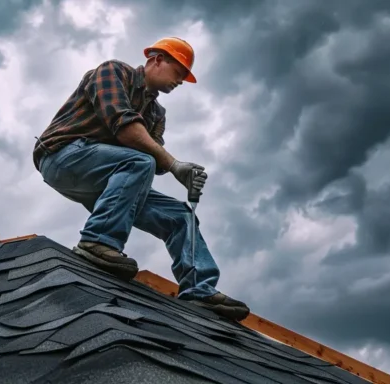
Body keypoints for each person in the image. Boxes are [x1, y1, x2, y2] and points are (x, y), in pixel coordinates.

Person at [32, 37, 250, 321]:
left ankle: (199, 288)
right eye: (179, 72)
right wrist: (174, 165)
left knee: (179, 215)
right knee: (139, 161)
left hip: (111, 179)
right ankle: (97, 242)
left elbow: (154, 163)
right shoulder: (113, 72)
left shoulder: (157, 113)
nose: (181, 81)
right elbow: (124, 128)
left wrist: (177, 168)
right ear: (157, 59)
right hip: (61, 158)